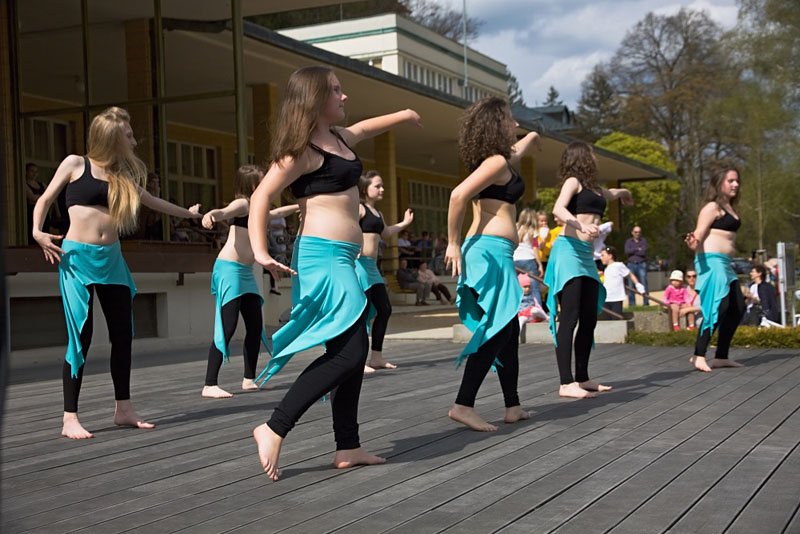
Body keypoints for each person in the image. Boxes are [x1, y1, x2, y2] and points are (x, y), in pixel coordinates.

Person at [247, 66, 422, 480]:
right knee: (350, 353)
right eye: (337, 91)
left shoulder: (340, 139)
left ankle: (348, 445)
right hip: (322, 258)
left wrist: (403, 114)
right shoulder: (302, 150)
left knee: (346, 351)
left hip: (345, 259)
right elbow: (260, 196)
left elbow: (365, 126)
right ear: (314, 98)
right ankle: (274, 426)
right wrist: (260, 251)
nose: (344, 98)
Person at [31, 106, 203, 439]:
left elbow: (153, 201)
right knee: (80, 336)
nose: (134, 141)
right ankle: (70, 417)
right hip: (77, 261)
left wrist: (190, 214)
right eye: (128, 135)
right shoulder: (74, 164)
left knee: (123, 335)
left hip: (112, 260)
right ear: (111, 137)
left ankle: (123, 409)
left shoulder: (122, 178)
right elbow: (44, 199)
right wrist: (37, 232)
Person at [445, 96, 541, 432]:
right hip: (487, 250)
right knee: (497, 328)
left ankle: (512, 405)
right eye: (510, 120)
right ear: (496, 125)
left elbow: (522, 147)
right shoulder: (497, 162)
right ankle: (463, 404)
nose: (516, 125)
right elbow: (457, 196)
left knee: (509, 329)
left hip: (496, 251)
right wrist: (453, 243)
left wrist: (533, 137)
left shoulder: (502, 160)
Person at [199, 165, 299, 398]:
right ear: (253, 184)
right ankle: (209, 383)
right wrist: (211, 215)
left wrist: (304, 205)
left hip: (246, 271)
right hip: (229, 269)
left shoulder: (260, 207)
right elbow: (224, 211)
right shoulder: (243, 204)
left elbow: (278, 213)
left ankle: (248, 379)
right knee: (228, 325)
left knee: (255, 326)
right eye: (263, 180)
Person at [545, 141, 633, 399]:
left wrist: (625, 192)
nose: (595, 157)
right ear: (582, 157)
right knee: (569, 317)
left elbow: (612, 193)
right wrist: (581, 227)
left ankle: (582, 378)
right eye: (591, 154)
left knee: (589, 317)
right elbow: (558, 209)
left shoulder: (595, 188)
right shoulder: (573, 181)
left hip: (585, 255)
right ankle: (565, 382)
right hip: (568, 250)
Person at [685, 168, 746, 372]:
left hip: (726, 264)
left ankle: (721, 356)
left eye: (737, 181)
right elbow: (700, 232)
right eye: (731, 181)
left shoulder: (729, 207)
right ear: (720, 183)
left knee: (737, 307)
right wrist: (694, 241)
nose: (735, 184)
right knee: (717, 307)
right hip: (711, 261)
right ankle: (698, 355)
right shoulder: (712, 207)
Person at [356, 170, 414, 372]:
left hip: (372, 268)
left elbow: (386, 233)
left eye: (382, 186)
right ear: (365, 188)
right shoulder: (359, 209)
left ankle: (376, 357)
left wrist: (404, 223)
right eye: (377, 186)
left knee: (384, 309)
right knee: (361, 314)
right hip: (359, 267)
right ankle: (357, 360)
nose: (382, 189)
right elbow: (345, 228)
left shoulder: (378, 213)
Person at [599, 246, 644, 318]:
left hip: (616, 298)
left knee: (616, 319)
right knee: (606, 320)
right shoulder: (606, 269)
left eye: (603, 255)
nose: (601, 258)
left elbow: (630, 275)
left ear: (610, 256)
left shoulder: (619, 265)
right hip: (606, 298)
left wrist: (638, 285)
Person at [513, 207, 544, 308]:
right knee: (534, 287)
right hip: (528, 259)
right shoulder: (533, 230)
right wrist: (539, 264)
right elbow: (535, 247)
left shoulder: (515, 227)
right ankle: (537, 309)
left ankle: (518, 309)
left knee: (516, 286)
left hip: (515, 259)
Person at [25, 163, 52, 244]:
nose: (34, 174)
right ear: (26, 172)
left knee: (45, 232)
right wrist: (44, 197)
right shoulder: (24, 184)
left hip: (44, 212)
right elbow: (32, 197)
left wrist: (40, 198)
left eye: (36, 172)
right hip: (32, 212)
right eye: (31, 171)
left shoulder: (41, 184)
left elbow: (51, 195)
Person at [625, 225, 649, 305]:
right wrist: (637, 249)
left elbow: (643, 252)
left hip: (641, 264)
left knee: (644, 283)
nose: (637, 234)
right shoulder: (629, 241)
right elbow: (627, 251)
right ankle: (632, 304)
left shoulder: (643, 241)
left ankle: (646, 303)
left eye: (639, 232)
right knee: (631, 284)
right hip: (631, 264)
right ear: (632, 232)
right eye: (635, 232)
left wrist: (633, 251)